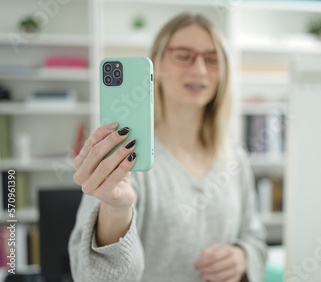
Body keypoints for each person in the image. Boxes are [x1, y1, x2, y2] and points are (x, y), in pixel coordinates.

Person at [69, 13, 268, 282]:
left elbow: (255, 238)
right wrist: (116, 211)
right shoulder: (124, 158)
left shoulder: (236, 159)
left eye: (212, 59)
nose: (198, 70)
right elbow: (90, 276)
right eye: (184, 55)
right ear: (157, 63)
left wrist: (242, 257)